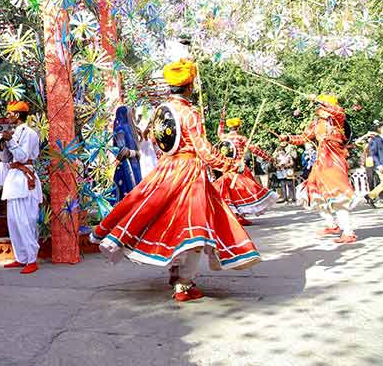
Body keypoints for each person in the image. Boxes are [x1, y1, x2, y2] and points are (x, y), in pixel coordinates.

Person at [89, 59, 260, 302]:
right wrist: (232, 165)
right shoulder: (190, 113)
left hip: (166, 170)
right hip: (190, 172)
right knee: (194, 229)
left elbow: (161, 146)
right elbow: (205, 152)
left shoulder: (161, 111)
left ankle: (176, 271)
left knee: (168, 221)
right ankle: (184, 284)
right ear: (189, 86)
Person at [280, 94, 360, 244]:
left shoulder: (337, 119)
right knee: (313, 191)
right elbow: (304, 138)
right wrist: (288, 138)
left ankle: (348, 232)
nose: (319, 109)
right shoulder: (316, 123)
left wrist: (318, 99)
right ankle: (331, 225)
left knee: (338, 194)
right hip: (321, 161)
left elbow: (338, 111)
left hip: (334, 159)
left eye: (322, 106)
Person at [0, 101, 42, 275]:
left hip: (25, 179)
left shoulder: (29, 133)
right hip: (13, 180)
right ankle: (21, 257)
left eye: (9, 113)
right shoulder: (13, 133)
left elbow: (22, 157)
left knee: (25, 221)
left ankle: (31, 259)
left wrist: (11, 142)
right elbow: (6, 158)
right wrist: (1, 143)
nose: (7, 116)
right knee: (14, 222)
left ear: (16, 115)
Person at [215, 115, 277, 223]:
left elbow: (219, 132)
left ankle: (237, 216)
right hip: (239, 169)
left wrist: (222, 118)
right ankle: (238, 216)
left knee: (230, 192)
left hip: (227, 168)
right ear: (238, 127)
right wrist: (270, 158)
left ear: (229, 128)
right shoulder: (241, 138)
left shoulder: (224, 137)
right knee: (242, 191)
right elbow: (255, 150)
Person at [112, 105, 142, 201]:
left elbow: (123, 151)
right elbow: (134, 152)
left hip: (127, 166)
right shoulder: (130, 130)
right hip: (133, 166)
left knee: (126, 198)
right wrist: (133, 153)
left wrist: (128, 153)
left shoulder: (120, 129)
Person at [365, 123, 383, 206]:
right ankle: (370, 196)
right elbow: (373, 153)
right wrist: (379, 165)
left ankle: (370, 196)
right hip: (380, 165)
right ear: (380, 129)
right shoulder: (375, 140)